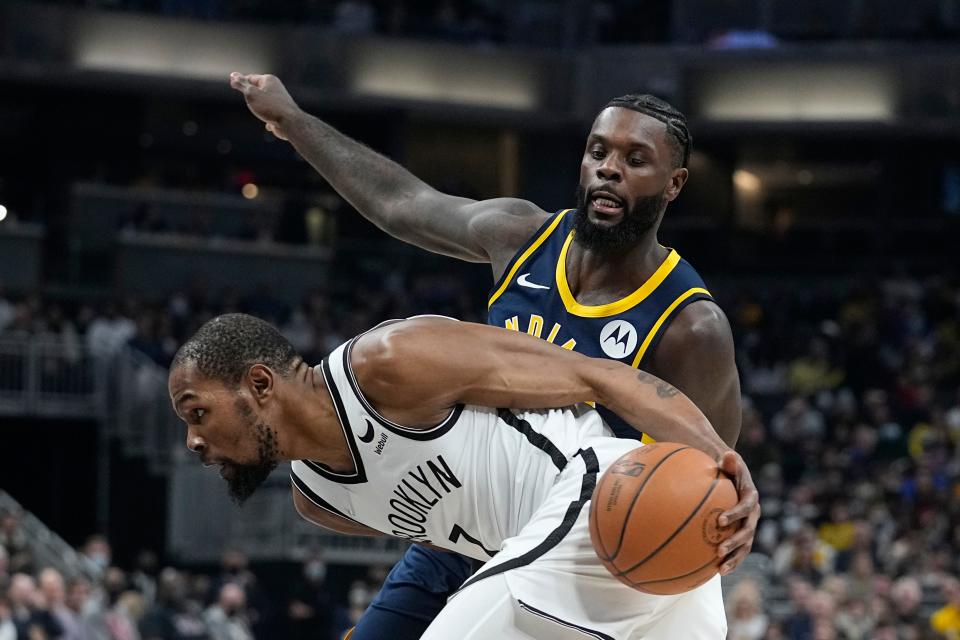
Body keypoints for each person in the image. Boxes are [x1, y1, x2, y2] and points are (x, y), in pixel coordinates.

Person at [229, 72, 752, 638]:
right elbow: (401, 203)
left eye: (635, 159)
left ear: (673, 184)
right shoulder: (521, 236)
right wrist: (292, 121)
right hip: (467, 527)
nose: (609, 168)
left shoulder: (690, 326)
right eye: (598, 151)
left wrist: (731, 510)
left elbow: (707, 476)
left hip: (579, 541)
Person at [168, 312, 759, 638]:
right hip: (586, 567)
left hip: (605, 501)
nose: (193, 440)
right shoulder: (318, 501)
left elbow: (602, 377)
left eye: (198, 412)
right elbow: (460, 543)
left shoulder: (390, 362)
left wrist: (724, 463)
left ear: (260, 384)